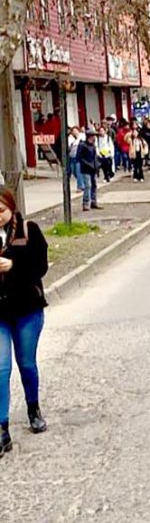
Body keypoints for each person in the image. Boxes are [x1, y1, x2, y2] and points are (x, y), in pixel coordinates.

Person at [0, 188, 50, 459]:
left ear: (11, 207)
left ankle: (33, 409)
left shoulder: (29, 230)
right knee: (0, 367)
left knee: (26, 363)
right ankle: (2, 429)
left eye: (1, 211)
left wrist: (12, 267)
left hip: (27, 309)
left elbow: (41, 267)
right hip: (0, 313)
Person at [76, 130, 103, 211]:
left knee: (94, 185)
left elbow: (95, 157)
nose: (94, 137)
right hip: (85, 169)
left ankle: (93, 202)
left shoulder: (93, 146)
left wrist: (97, 166)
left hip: (93, 169)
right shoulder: (82, 145)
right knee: (88, 185)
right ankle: (86, 203)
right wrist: (88, 164)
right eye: (93, 136)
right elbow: (79, 157)